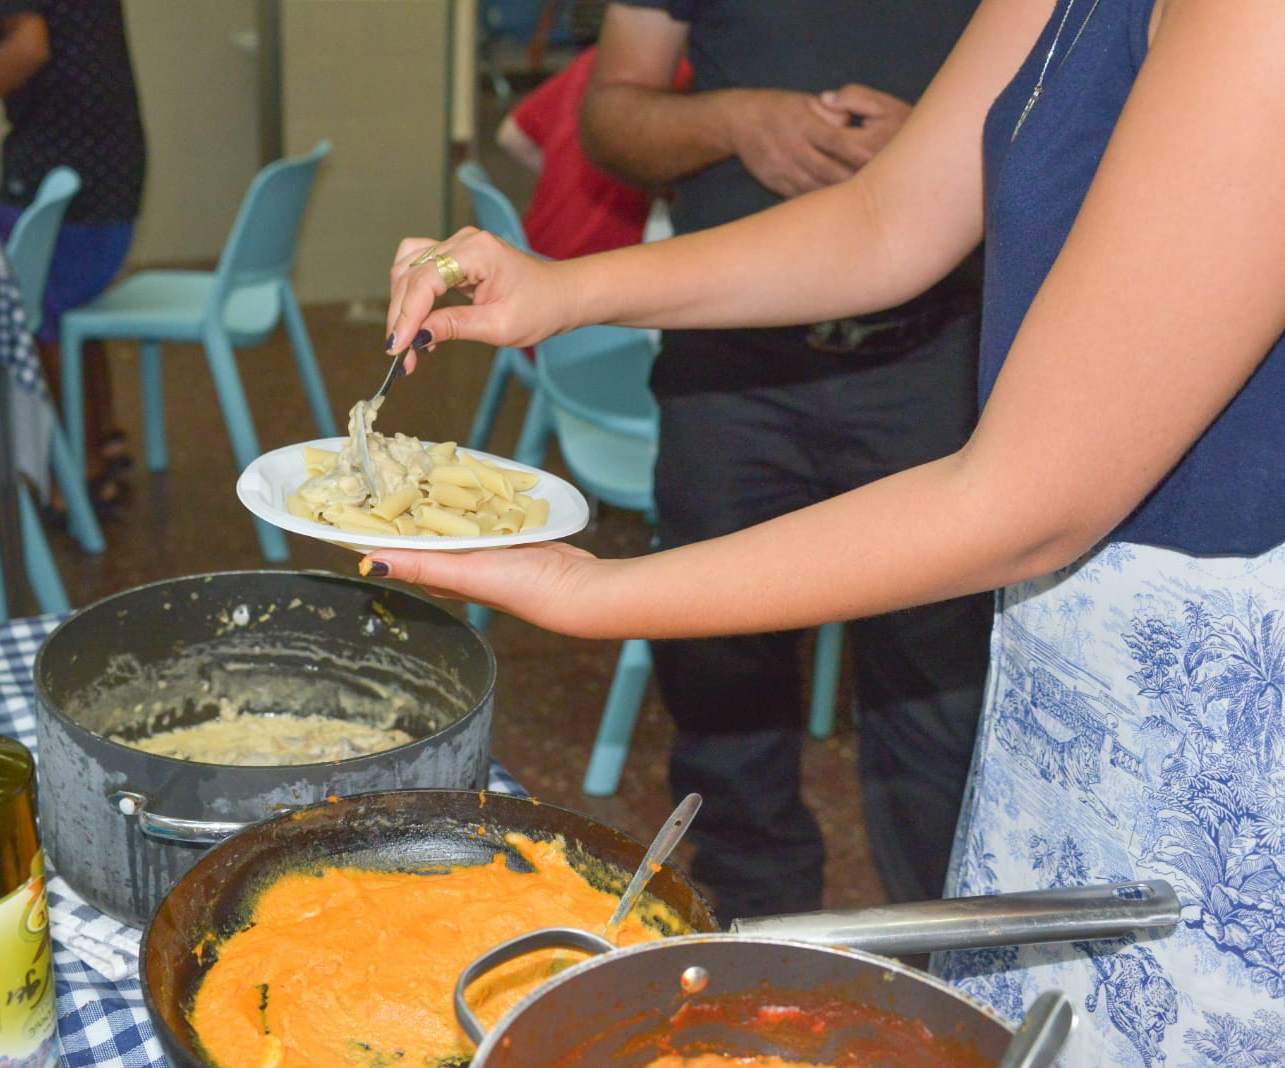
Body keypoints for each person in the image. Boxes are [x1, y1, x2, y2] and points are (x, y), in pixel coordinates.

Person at [374, 0, 1285, 1059]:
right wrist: (564, 290)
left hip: (1214, 700)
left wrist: (591, 591)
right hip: (1069, 644)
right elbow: (887, 223)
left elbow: (1024, 500)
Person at [546, 0, 993, 923]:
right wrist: (733, 120)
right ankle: (747, 964)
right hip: (729, 370)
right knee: (719, 685)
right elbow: (609, 116)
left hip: (933, 356)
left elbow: (1090, 121)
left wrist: (952, 154)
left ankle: (957, 967)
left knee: (940, 700)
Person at [0, 0, 147, 513]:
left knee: (43, 317)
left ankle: (76, 471)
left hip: (63, 155)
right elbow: (54, 58)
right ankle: (101, 438)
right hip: (108, 156)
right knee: (72, 307)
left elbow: (28, 49)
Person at [495, 45, 688, 261]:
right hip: (595, 264)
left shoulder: (597, 59)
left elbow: (511, 136)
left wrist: (563, 173)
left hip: (533, 249)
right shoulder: (677, 74)